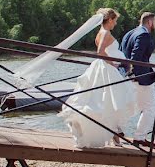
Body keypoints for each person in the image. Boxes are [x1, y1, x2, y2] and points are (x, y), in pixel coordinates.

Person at [57, 8, 137, 148]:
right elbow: (100, 52)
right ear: (110, 19)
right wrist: (113, 63)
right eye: (115, 21)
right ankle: (116, 138)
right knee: (112, 102)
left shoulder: (100, 33)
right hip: (107, 70)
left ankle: (116, 138)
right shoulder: (105, 33)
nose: (115, 24)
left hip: (103, 69)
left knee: (108, 102)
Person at [120, 12, 155, 147]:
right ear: (149, 22)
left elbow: (122, 53)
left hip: (129, 76)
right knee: (150, 107)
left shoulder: (129, 33)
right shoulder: (144, 35)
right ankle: (139, 137)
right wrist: (135, 74)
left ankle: (116, 127)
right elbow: (135, 57)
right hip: (141, 77)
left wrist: (128, 73)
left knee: (133, 105)